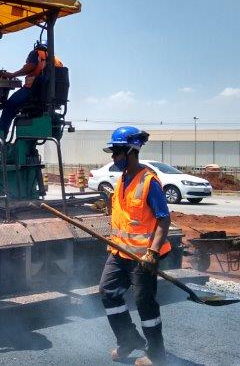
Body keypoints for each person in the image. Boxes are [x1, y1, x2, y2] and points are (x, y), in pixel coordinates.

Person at [99, 126, 171, 366]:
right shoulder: (122, 179)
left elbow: (163, 218)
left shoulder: (149, 182)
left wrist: (152, 253)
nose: (113, 157)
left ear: (131, 151)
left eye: (117, 151)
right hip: (119, 252)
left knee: (144, 302)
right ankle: (128, 339)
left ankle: (156, 353)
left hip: (142, 257)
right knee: (108, 292)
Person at [0, 42, 64, 137]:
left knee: (9, 106)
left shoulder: (36, 53)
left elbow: (30, 67)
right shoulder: (56, 60)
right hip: (52, 99)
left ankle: (0, 139)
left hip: (33, 92)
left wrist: (12, 75)